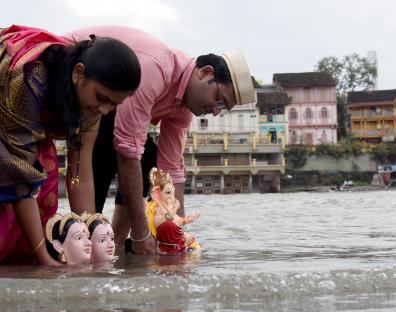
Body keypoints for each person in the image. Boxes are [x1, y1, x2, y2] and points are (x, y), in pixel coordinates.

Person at [66, 26, 255, 255]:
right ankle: (88, 240)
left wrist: (179, 233)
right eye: (219, 100)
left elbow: (171, 173)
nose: (215, 111)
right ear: (205, 73)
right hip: (71, 73)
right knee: (108, 153)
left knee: (149, 164)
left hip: (108, 109)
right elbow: (126, 149)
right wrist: (142, 233)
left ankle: (114, 242)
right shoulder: (156, 69)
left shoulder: (184, 108)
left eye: (223, 109)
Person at [0, 25, 141, 265]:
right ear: (78, 73)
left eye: (114, 105)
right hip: (8, 124)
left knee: (45, 171)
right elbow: (19, 175)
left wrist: (91, 239)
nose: (104, 110)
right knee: (27, 176)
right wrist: (46, 260)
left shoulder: (92, 103)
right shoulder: (29, 78)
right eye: (102, 99)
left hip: (23, 137)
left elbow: (81, 174)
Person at [146, 168, 200, 254]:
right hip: (166, 239)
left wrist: (187, 219)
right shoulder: (156, 208)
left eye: (173, 192)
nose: (172, 196)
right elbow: (163, 220)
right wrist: (174, 209)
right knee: (169, 225)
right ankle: (180, 244)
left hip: (177, 237)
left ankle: (184, 242)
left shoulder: (169, 205)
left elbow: (178, 221)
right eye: (168, 193)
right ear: (157, 193)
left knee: (190, 237)